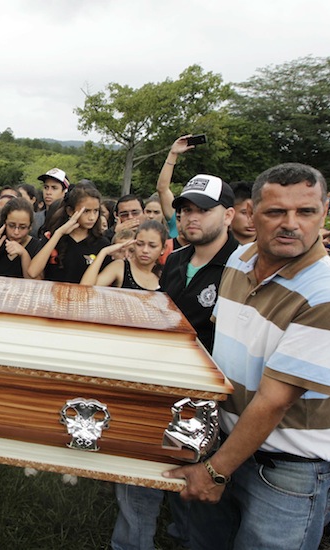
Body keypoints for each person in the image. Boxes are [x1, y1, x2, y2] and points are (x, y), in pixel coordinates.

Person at [165, 163, 330, 550]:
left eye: (306, 212)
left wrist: (215, 471)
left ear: (325, 212)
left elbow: (274, 400)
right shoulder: (238, 262)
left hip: (286, 472)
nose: (291, 224)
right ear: (252, 214)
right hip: (227, 444)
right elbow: (222, 355)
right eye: (276, 212)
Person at [111, 174, 238, 550]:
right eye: (184, 210)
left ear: (229, 215)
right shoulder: (178, 258)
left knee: (201, 497)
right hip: (160, 384)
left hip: (210, 399)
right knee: (141, 474)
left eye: (203, 210)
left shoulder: (242, 266)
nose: (190, 217)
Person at [28, 186, 108, 282]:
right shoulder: (52, 238)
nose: (92, 217)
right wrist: (59, 233)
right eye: (86, 211)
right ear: (70, 211)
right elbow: (33, 272)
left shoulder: (102, 243)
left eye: (96, 211)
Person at [81, 220, 166, 290]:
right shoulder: (120, 266)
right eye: (140, 244)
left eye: (152, 246)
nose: (145, 250)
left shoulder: (165, 273)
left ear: (163, 249)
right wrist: (104, 252)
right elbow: (84, 289)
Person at [32, 168, 69, 238]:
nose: (48, 192)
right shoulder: (34, 219)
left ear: (65, 191)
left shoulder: (69, 220)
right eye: (46, 187)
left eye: (54, 188)